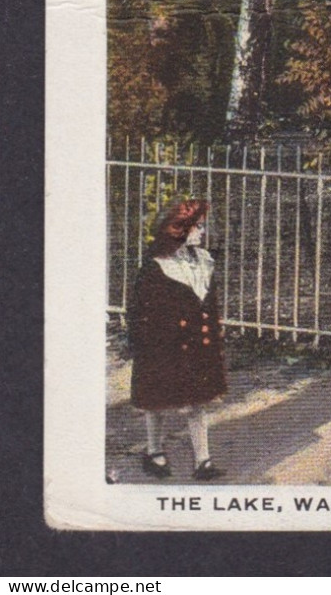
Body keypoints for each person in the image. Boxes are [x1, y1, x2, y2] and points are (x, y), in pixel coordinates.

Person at [129, 199, 226, 481]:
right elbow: (139, 311)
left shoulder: (203, 261)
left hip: (197, 346)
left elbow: (210, 305)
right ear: (180, 228)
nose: (202, 231)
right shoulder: (157, 266)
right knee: (156, 401)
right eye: (198, 226)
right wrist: (144, 347)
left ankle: (203, 461)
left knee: (198, 403)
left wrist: (214, 336)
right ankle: (154, 451)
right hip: (164, 346)